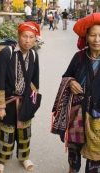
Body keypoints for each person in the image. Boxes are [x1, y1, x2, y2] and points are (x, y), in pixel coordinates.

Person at [51, 13, 100, 173]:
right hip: (77, 112)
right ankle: (73, 169)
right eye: (93, 35)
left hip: (98, 114)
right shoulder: (78, 57)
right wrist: (70, 82)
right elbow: (66, 76)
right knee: (74, 147)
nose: (97, 39)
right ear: (86, 37)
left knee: (96, 153)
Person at [0, 21, 41, 173]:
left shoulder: (33, 54)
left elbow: (35, 79)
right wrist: (0, 106)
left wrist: (32, 102)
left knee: (24, 130)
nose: (27, 41)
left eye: (31, 37)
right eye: (24, 36)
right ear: (18, 37)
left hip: (25, 100)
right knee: (5, 131)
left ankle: (23, 157)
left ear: (35, 38)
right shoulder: (6, 53)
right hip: (7, 100)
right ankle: (2, 159)